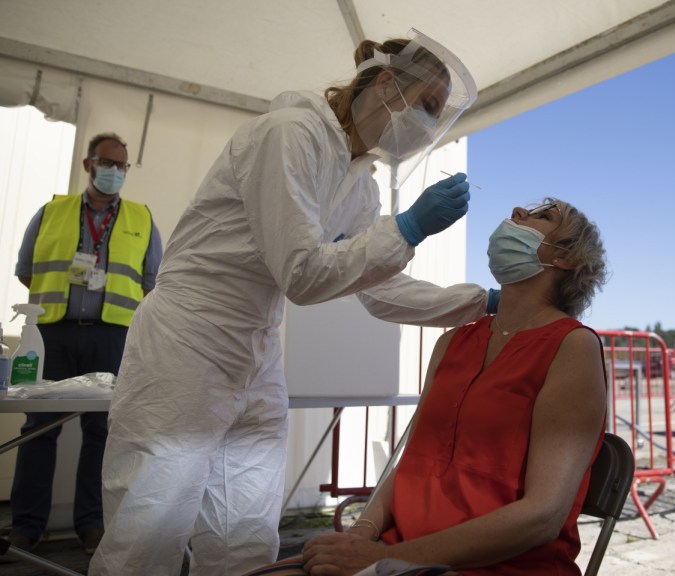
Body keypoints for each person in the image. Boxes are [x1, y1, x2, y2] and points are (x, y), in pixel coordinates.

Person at [90, 29, 497, 576]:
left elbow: (378, 290)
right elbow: (301, 274)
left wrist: (480, 301)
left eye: (437, 113)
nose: (428, 125)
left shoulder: (360, 186)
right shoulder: (290, 134)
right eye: (426, 104)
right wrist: (407, 228)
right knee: (149, 529)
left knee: (244, 536)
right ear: (385, 83)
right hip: (187, 339)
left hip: (255, 352)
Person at [245, 197, 609, 576]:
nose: (517, 211)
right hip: (400, 555)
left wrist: (380, 560)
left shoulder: (572, 347)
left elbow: (543, 516)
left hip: (498, 566)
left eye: (543, 216)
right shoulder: (453, 342)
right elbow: (411, 465)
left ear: (566, 259)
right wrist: (361, 534)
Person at [7, 132, 162, 556]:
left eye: (121, 166)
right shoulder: (50, 212)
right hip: (52, 333)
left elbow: (151, 281)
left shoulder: (142, 218)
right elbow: (26, 270)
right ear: (88, 164)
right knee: (38, 429)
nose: (114, 171)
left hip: (112, 335)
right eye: (106, 163)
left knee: (102, 432)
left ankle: (91, 524)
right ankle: (26, 527)